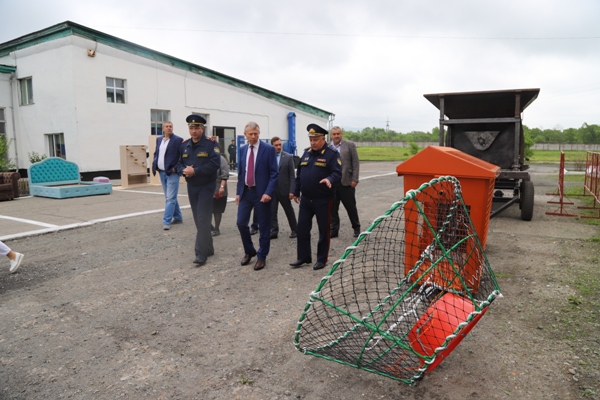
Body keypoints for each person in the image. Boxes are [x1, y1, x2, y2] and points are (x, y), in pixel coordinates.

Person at [290, 124, 341, 271]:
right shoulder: (306, 153)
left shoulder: (331, 154)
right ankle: (303, 257)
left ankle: (321, 259)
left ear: (323, 139)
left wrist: (329, 179)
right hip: (306, 199)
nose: (313, 143)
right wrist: (296, 191)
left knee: (323, 230)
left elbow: (338, 172)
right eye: (311, 139)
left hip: (323, 199)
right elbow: (299, 175)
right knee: (302, 229)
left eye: (316, 139)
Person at [177, 114, 221, 266]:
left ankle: (201, 254)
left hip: (206, 186)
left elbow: (215, 164)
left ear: (202, 129)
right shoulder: (184, 145)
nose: (194, 131)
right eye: (191, 128)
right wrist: (184, 170)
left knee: (203, 218)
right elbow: (178, 164)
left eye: (197, 128)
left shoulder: (211, 145)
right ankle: (208, 248)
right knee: (198, 219)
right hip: (192, 187)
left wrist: (195, 171)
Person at [236, 122, 278, 271]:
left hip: (262, 194)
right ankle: (250, 250)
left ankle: (261, 256)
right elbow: (241, 172)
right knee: (241, 223)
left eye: (256, 133)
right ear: (245, 134)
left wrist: (268, 192)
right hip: (246, 192)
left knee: (264, 226)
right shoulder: (242, 149)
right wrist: (238, 192)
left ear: (259, 133)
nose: (253, 136)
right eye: (250, 134)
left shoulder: (268, 149)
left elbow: (274, 173)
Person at [329, 126, 361, 238]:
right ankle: (334, 230)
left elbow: (355, 163)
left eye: (338, 134)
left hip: (346, 182)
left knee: (350, 207)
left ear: (341, 134)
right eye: (334, 134)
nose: (336, 136)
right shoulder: (328, 147)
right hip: (332, 184)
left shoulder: (350, 145)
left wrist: (355, 179)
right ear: (331, 135)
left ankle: (356, 228)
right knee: (333, 209)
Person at [152, 121, 184, 230]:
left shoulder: (178, 140)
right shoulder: (159, 140)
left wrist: (176, 168)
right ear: (163, 128)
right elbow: (157, 153)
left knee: (170, 198)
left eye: (171, 126)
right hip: (162, 172)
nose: (169, 128)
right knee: (170, 197)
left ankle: (166, 221)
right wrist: (155, 164)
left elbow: (182, 157)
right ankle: (178, 217)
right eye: (167, 126)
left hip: (172, 173)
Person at [270, 136, 298, 239]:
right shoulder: (269, 157)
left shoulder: (288, 157)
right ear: (272, 146)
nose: (278, 147)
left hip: (284, 190)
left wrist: (292, 190)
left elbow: (292, 175)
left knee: (288, 210)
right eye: (276, 145)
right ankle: (273, 231)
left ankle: (295, 229)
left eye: (279, 145)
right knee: (272, 212)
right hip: (272, 190)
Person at [211, 152, 230, 237]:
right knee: (205, 209)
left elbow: (225, 174)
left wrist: (222, 187)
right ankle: (209, 227)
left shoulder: (221, 159)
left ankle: (216, 228)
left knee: (217, 210)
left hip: (218, 187)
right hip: (207, 188)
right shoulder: (205, 158)